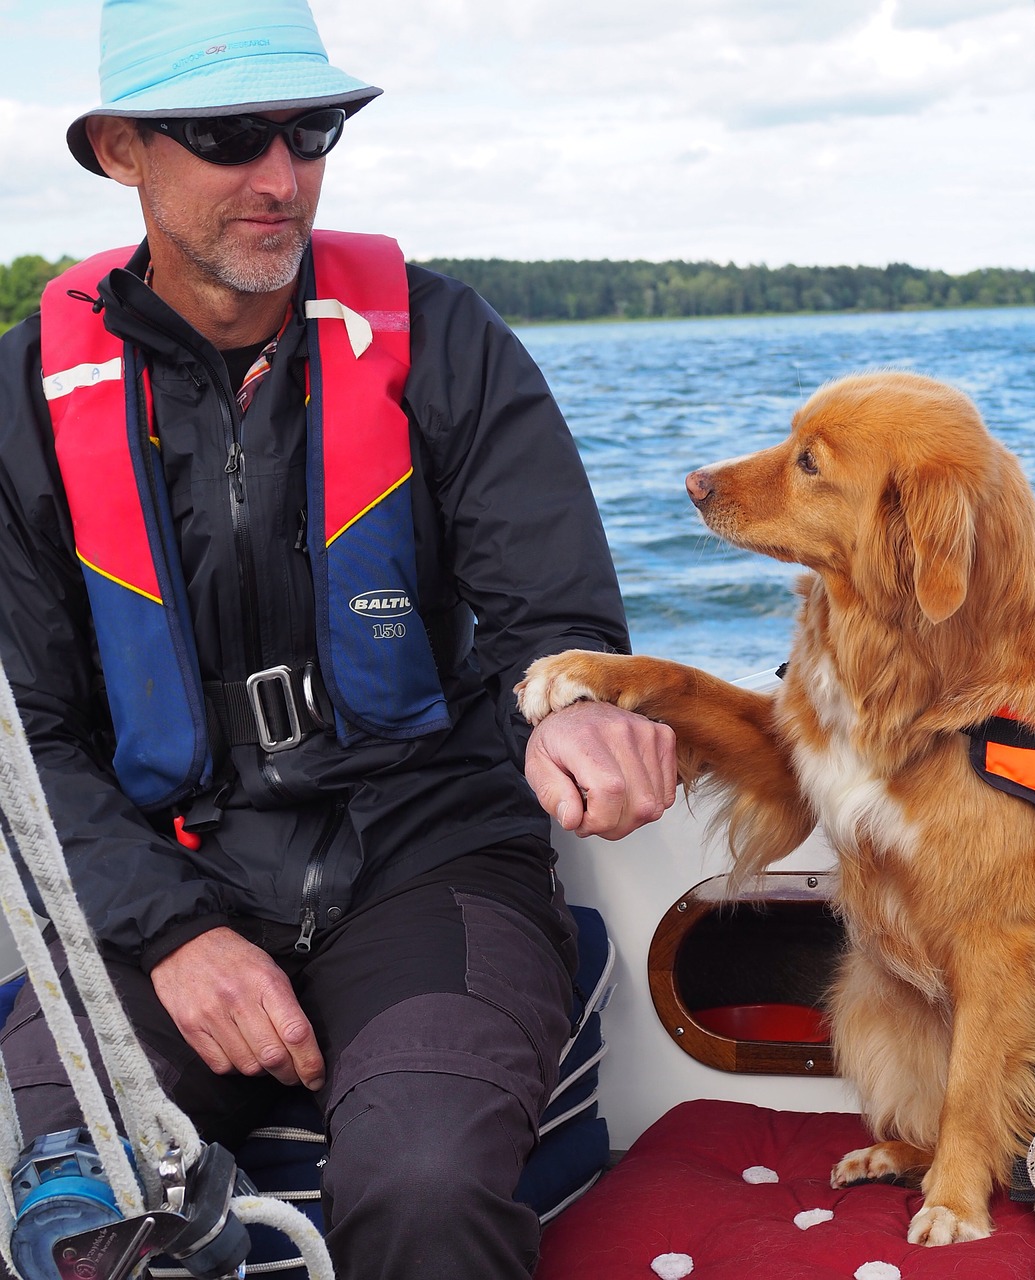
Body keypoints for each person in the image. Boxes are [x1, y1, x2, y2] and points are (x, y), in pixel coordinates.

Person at [0, 1, 677, 1276]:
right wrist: (172, 931)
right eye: (226, 134)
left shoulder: (448, 345)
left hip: (431, 864)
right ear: (118, 152)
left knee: (422, 1185)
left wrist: (579, 708)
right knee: (66, 1205)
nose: (281, 175)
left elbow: (559, 628)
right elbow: (21, 740)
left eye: (312, 129)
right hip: (159, 881)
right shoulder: (21, 406)